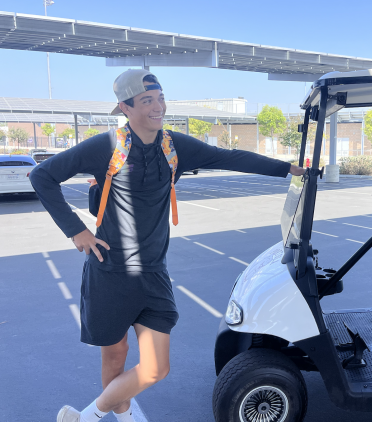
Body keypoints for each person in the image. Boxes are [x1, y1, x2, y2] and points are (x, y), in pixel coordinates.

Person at [30, 69, 305, 422]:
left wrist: (287, 168)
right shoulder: (106, 146)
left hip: (153, 273)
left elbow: (228, 157)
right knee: (115, 356)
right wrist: (76, 231)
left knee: (155, 367)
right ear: (125, 108)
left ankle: (85, 417)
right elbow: (42, 175)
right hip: (110, 270)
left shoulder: (174, 145)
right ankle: (125, 418)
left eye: (160, 98)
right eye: (147, 101)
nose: (158, 107)